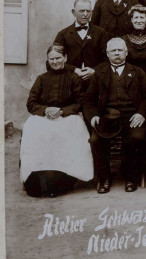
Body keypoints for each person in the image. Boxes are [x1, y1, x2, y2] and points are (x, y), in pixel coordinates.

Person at [20, 44, 93, 197]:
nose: (55, 61)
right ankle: (37, 180)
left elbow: (80, 102)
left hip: (67, 117)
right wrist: (45, 110)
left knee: (68, 135)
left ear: (65, 58)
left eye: (58, 58)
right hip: (44, 117)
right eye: (52, 59)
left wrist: (61, 111)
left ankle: (63, 180)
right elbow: (31, 103)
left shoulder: (73, 78)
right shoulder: (41, 79)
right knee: (33, 132)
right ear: (48, 60)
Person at [83, 38, 146, 193]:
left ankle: (131, 177)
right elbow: (88, 100)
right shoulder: (99, 73)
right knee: (95, 140)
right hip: (107, 118)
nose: (117, 53)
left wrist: (141, 114)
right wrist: (93, 115)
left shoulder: (137, 72)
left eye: (120, 50)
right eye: (113, 50)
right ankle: (105, 177)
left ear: (126, 52)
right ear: (107, 54)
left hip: (131, 116)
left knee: (136, 138)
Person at [54, 0, 108, 83]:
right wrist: (74, 70)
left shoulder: (101, 33)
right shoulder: (63, 34)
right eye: (82, 11)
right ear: (73, 12)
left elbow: (107, 59)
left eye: (88, 11)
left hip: (95, 81)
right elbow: (54, 60)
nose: (85, 14)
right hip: (70, 81)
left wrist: (94, 71)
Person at [122, 4, 146, 89]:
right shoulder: (124, 39)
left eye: (142, 17)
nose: (139, 21)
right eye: (136, 17)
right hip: (129, 78)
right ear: (131, 20)